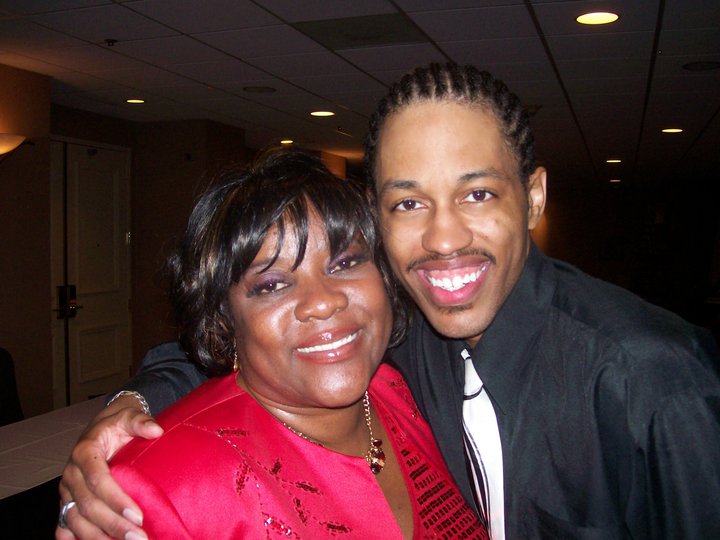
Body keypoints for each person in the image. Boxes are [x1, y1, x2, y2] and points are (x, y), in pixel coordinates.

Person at [58, 63, 720, 540]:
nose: (443, 235)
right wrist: (129, 411)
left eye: (478, 193)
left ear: (535, 197)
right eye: (408, 203)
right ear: (380, 218)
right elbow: (227, 355)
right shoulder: (402, 333)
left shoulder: (654, 379)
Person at [59, 148, 487, 539]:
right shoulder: (157, 490)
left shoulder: (410, 394)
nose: (322, 302)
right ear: (224, 318)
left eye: (346, 263)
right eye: (272, 285)